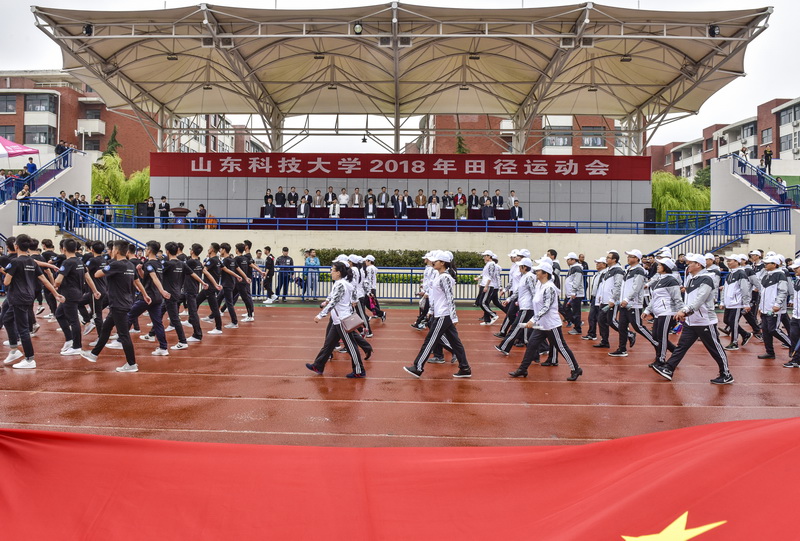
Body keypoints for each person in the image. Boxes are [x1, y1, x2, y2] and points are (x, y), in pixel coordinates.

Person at [651, 253, 733, 384]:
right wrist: (686, 313)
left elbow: (700, 299)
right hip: (692, 320)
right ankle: (669, 368)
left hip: (705, 321)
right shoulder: (691, 279)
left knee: (715, 348)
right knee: (681, 346)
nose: (687, 265)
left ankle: (726, 373)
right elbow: (690, 299)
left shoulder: (707, 279)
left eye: (691, 263)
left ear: (698, 265)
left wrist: (684, 311)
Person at [508, 260, 582, 381]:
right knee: (531, 345)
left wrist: (533, 319)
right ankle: (523, 368)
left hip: (552, 324)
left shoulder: (549, 288)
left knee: (561, 347)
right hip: (542, 325)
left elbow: (546, 307)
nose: (536, 272)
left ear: (545, 273)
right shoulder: (539, 285)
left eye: (538, 271)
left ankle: (576, 368)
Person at [80, 240, 148, 372]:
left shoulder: (115, 264)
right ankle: (94, 354)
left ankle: (131, 364)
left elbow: (97, 274)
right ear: (127, 252)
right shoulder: (129, 264)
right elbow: (137, 280)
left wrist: (110, 261)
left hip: (119, 305)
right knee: (106, 329)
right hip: (122, 302)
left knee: (123, 335)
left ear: (116, 251)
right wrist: (144, 294)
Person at [403, 250, 472, 378]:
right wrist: (430, 311)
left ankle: (418, 367)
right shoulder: (439, 276)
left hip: (443, 315)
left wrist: (454, 316)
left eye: (436, 261)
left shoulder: (445, 278)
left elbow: (450, 297)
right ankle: (465, 368)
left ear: (443, 263)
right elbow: (434, 297)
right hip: (440, 313)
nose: (433, 262)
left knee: (430, 341)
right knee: (455, 343)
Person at [2, 235, 64, 369]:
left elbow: (6, 281)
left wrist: (6, 273)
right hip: (27, 297)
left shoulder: (16, 262)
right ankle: (14, 349)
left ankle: (29, 359)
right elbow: (44, 279)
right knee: (7, 319)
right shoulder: (32, 261)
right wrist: (55, 293)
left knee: (23, 329)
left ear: (16, 246)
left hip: (18, 298)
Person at [306, 260, 367, 378]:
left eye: (332, 270)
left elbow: (333, 302)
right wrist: (353, 301)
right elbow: (354, 296)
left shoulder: (340, 284)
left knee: (351, 346)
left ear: (338, 272)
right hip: (337, 320)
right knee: (328, 345)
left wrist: (320, 315)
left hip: (342, 320)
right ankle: (318, 365)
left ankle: (359, 370)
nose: (331, 273)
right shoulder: (345, 282)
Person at [54, 238, 100, 356]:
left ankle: (77, 346)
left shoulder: (67, 262)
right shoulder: (80, 261)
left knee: (74, 320)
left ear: (63, 249)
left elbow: (58, 281)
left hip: (69, 295)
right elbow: (88, 277)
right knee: (59, 314)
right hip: (76, 293)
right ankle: (69, 339)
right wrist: (95, 290)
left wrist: (53, 287)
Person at [609, 249, 659, 357]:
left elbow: (636, 287)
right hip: (624, 304)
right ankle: (622, 349)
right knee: (622, 327)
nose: (628, 258)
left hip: (633, 304)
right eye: (628, 256)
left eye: (631, 256)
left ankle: (656, 343)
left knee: (638, 327)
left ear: (637, 258)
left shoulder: (639, 270)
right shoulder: (628, 270)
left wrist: (627, 299)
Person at [130, 241, 171, 355]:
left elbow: (154, 278)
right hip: (157, 297)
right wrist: (139, 270)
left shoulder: (149, 264)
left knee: (129, 315)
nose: (145, 251)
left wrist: (162, 290)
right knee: (157, 323)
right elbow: (146, 277)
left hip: (148, 296)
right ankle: (163, 348)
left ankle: (120, 340)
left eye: (146, 249)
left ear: (149, 250)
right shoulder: (158, 263)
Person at [641, 258, 681, 367]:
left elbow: (677, 298)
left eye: (660, 265)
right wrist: (648, 310)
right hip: (659, 313)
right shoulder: (659, 280)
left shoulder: (671, 280)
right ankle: (676, 353)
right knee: (655, 336)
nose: (657, 266)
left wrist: (681, 312)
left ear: (666, 267)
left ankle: (661, 359)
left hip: (667, 312)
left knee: (662, 337)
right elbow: (654, 298)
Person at [496, 257, 534, 354]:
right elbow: (518, 292)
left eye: (520, 266)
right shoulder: (524, 276)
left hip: (527, 307)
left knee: (516, 327)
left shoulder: (529, 277)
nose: (519, 268)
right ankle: (540, 350)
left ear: (525, 267)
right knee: (526, 329)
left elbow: (533, 292)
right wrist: (509, 300)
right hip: (525, 306)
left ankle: (504, 347)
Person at [756, 254, 791, 359]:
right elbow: (763, 293)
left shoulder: (780, 275)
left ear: (774, 264)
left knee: (773, 329)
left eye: (767, 263)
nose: (765, 265)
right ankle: (770, 352)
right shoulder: (766, 275)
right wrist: (760, 307)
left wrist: (777, 304)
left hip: (773, 309)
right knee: (766, 331)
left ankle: (793, 345)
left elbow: (783, 291)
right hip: (765, 309)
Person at [720, 254, 753, 350]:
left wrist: (746, 303)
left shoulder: (741, 273)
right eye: (728, 261)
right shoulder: (730, 274)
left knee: (733, 322)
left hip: (737, 303)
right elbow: (725, 288)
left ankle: (734, 342)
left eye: (730, 260)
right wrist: (722, 301)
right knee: (727, 321)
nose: (728, 262)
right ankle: (745, 334)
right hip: (729, 303)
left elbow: (744, 289)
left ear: (736, 262)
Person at [196, 242, 224, 334]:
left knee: (214, 308)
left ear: (212, 250)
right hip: (208, 287)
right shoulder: (217, 260)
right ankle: (190, 320)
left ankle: (218, 327)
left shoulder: (212, 260)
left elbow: (204, 270)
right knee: (196, 302)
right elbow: (224, 269)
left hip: (210, 287)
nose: (208, 249)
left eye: (209, 248)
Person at [582, 257, 607, 341]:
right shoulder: (597, 274)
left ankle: (604, 337)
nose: (597, 264)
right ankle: (591, 333)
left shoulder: (605, 274)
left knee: (603, 319)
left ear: (604, 264)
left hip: (600, 299)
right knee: (592, 317)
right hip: (594, 298)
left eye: (599, 263)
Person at [475, 250, 501, 325]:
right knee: (482, 302)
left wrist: (486, 286)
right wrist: (479, 278)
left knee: (483, 303)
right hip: (485, 284)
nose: (484, 257)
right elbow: (484, 274)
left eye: (485, 256)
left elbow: (490, 276)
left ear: (489, 256)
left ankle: (493, 315)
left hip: (489, 285)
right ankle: (487, 320)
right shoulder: (487, 264)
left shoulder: (492, 264)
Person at [562, 252, 585, 335]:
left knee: (575, 311)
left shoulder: (577, 268)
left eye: (568, 259)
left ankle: (577, 327)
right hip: (571, 294)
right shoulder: (572, 268)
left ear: (572, 260)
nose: (567, 261)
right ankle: (577, 322)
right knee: (565, 308)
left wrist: (574, 292)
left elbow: (577, 281)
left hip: (575, 294)